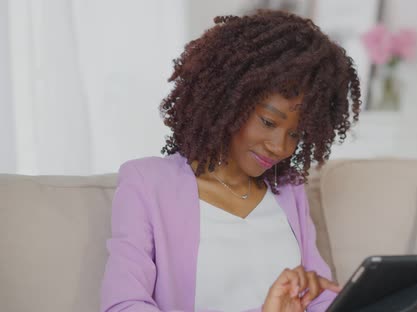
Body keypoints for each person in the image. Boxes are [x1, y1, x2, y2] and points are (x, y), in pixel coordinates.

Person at [100, 9, 361, 312]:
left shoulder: (289, 191)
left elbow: (320, 296)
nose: (279, 147)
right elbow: (123, 305)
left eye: (296, 134)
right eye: (267, 122)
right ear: (228, 101)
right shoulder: (147, 183)